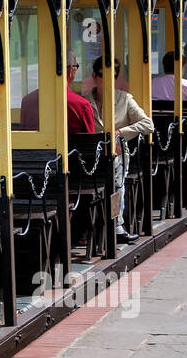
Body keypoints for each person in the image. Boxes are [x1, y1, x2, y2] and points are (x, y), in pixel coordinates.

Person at [87, 58, 153, 240]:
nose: (108, 79)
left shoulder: (125, 99)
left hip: (117, 157)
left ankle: (117, 225)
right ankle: (86, 227)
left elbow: (148, 124)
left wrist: (121, 133)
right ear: (94, 75)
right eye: (103, 75)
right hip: (89, 160)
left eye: (113, 76)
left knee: (117, 178)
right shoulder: (86, 101)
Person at [17, 51, 95, 133]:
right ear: (70, 70)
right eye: (76, 66)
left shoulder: (27, 101)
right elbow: (90, 142)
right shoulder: (82, 106)